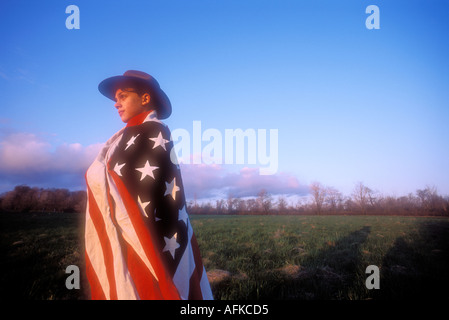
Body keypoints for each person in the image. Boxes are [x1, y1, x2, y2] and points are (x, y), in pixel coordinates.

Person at [84, 70, 213, 300]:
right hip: (124, 229)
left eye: (123, 96)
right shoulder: (118, 140)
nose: (116, 103)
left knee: (153, 286)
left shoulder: (156, 131)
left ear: (145, 99)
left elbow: (157, 189)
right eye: (115, 98)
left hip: (149, 230)